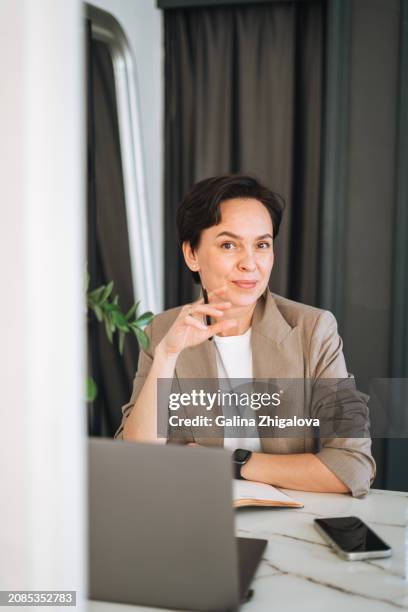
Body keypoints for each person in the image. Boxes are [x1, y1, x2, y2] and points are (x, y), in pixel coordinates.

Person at [115, 175, 376, 498]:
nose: (250, 263)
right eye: (228, 245)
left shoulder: (313, 329)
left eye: (262, 245)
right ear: (191, 254)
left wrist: (231, 462)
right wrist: (167, 355)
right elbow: (136, 458)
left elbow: (353, 466)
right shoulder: (162, 331)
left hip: (293, 520)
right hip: (192, 511)